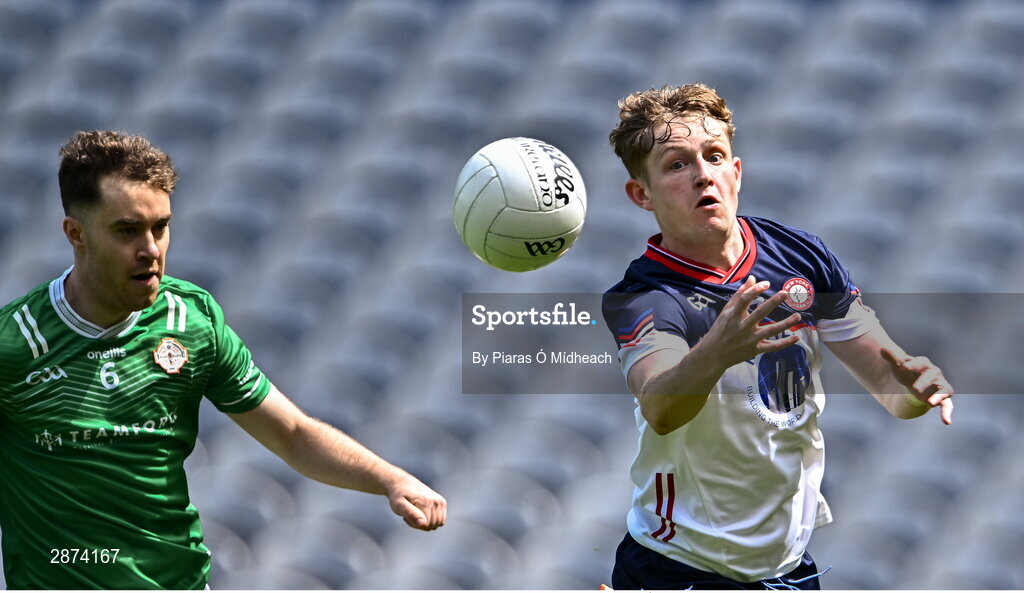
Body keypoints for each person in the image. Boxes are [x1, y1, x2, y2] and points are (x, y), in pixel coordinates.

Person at [0, 131, 447, 589]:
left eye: (161, 227)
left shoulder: (189, 322)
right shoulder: (14, 345)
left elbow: (292, 434)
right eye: (127, 230)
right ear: (76, 234)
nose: (151, 250)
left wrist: (391, 480)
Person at [601, 84, 953, 590]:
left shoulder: (799, 256)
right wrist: (719, 351)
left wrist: (916, 387)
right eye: (676, 165)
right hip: (680, 569)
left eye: (714, 156)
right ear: (642, 194)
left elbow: (891, 386)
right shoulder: (647, 296)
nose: (703, 174)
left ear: (736, 172)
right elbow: (660, 407)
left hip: (787, 570)